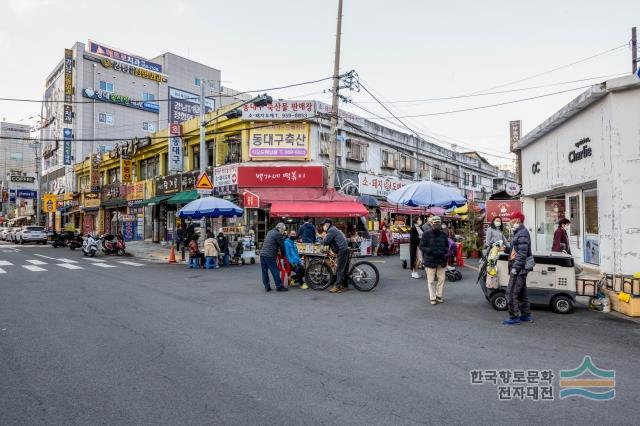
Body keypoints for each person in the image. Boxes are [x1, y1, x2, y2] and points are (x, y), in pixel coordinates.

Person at [503, 211, 533, 325]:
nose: (510, 222)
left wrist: (515, 268)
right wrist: (506, 249)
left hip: (519, 268)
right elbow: (516, 250)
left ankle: (514, 317)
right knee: (521, 293)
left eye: (512, 220)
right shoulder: (519, 232)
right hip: (521, 268)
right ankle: (526, 315)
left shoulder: (522, 233)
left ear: (517, 220)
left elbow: (522, 253)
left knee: (510, 293)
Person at [419, 216, 450, 305]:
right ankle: (432, 297)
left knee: (442, 279)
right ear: (431, 223)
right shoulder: (426, 234)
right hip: (430, 259)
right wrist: (429, 251)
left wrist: (444, 251)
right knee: (431, 281)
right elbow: (421, 246)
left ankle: (439, 296)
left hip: (441, 260)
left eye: (438, 223)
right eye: (435, 223)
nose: (437, 224)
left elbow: (447, 246)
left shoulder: (443, 234)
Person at [321, 219, 350, 294]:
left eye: (323, 225)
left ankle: (337, 287)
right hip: (344, 249)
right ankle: (344, 285)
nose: (323, 227)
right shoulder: (333, 229)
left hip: (342, 250)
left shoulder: (331, 230)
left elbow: (326, 242)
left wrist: (322, 238)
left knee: (339, 269)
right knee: (344, 269)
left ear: (327, 224)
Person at [260, 223, 288, 292]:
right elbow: (282, 246)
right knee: (275, 271)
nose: (283, 232)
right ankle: (279, 286)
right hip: (270, 255)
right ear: (280, 228)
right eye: (283, 230)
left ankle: (267, 287)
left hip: (262, 254)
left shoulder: (270, 232)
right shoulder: (278, 234)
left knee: (264, 271)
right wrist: (285, 255)